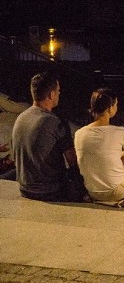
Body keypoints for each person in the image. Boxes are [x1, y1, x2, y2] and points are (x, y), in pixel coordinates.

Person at [11, 72, 79, 201]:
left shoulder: (21, 118)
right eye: (58, 91)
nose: (59, 94)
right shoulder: (55, 121)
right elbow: (73, 161)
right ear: (51, 94)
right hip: (50, 190)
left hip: (25, 188)